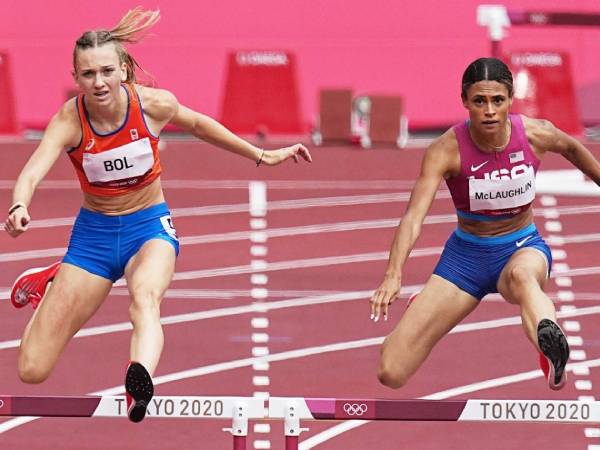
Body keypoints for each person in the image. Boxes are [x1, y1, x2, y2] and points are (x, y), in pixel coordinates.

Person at [4, 8, 311, 423]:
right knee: (32, 369)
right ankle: (54, 281)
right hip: (92, 240)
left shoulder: (153, 105)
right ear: (76, 78)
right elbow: (33, 169)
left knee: (145, 297)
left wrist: (261, 155)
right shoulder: (70, 119)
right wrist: (20, 206)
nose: (99, 83)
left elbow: (202, 125)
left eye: (107, 71)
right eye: (88, 74)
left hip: (148, 228)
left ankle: (139, 381)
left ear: (124, 70)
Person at [370, 57, 600, 392]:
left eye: (497, 101)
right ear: (465, 102)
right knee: (391, 372)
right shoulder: (444, 150)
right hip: (465, 261)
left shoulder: (536, 134)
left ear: (510, 100)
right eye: (479, 101)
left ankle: (549, 347)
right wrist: (393, 274)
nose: (489, 110)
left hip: (521, 247)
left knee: (525, 278)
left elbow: (573, 149)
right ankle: (424, 305)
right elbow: (413, 216)